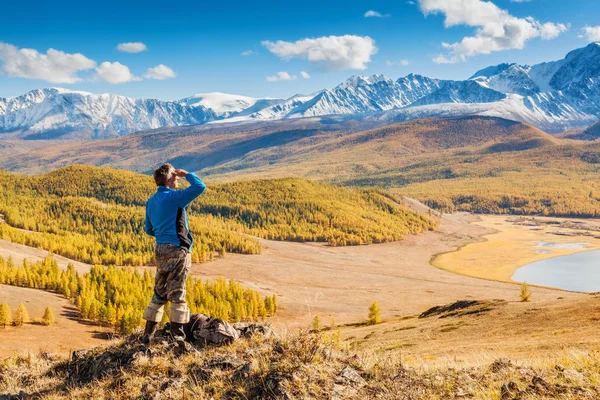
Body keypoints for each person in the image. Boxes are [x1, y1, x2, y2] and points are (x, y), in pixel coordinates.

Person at [141, 163, 206, 345]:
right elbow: (200, 187)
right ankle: (178, 339)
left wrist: (163, 234)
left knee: (160, 292)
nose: (177, 178)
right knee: (177, 293)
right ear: (169, 179)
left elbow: (149, 229)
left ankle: (147, 335)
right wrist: (188, 174)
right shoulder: (175, 198)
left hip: (160, 249)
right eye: (175, 176)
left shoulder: (152, 201)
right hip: (178, 248)